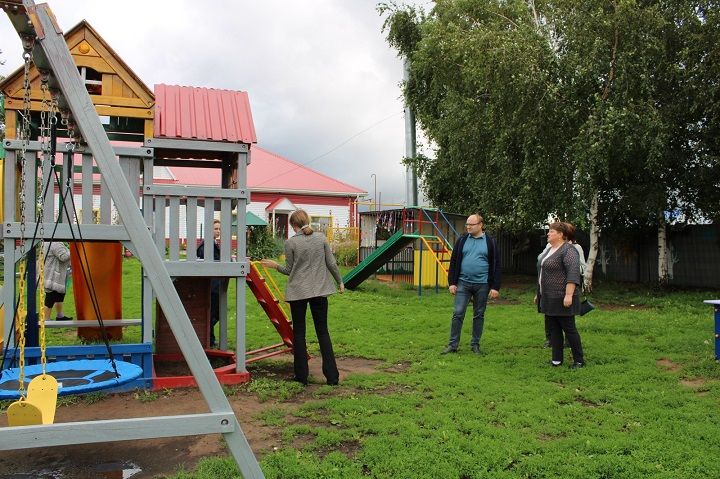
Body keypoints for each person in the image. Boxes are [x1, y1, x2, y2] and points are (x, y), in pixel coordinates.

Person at [261, 209, 344, 386]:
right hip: (320, 291)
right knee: (323, 332)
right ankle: (332, 377)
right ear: (306, 221)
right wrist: (340, 282)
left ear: (293, 225)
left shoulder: (291, 243)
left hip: (298, 292)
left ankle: (301, 376)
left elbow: (289, 270)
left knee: (299, 333)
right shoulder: (321, 238)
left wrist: (276, 266)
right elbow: (331, 263)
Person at [441, 213, 501, 355]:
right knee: (458, 313)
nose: (468, 226)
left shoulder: (490, 242)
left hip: (483, 285)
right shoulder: (462, 240)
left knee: (479, 314)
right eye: (467, 224)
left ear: (480, 225)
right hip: (463, 283)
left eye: (471, 224)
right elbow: (454, 261)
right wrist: (452, 283)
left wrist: (495, 286)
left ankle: (475, 345)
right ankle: (453, 345)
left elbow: (497, 264)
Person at [535, 222, 585, 368]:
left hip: (562, 297)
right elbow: (542, 272)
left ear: (561, 235)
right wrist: (538, 293)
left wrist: (568, 295)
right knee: (554, 330)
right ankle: (556, 360)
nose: (548, 234)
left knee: (569, 329)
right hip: (548, 297)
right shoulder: (549, 249)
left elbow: (573, 274)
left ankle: (579, 361)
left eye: (551, 231)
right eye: (549, 231)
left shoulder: (568, 250)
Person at [197, 219, 221, 347]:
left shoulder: (212, 244)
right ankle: (208, 339)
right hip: (212, 284)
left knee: (215, 313)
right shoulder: (206, 246)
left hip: (215, 283)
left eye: (219, 229)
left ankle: (209, 338)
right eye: (215, 229)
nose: (218, 231)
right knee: (214, 313)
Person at [43, 241, 72, 321]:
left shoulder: (47, 242)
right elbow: (63, 257)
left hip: (53, 273)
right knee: (50, 297)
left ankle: (60, 316)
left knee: (59, 295)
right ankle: (46, 319)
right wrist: (73, 249)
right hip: (54, 275)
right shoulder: (55, 244)